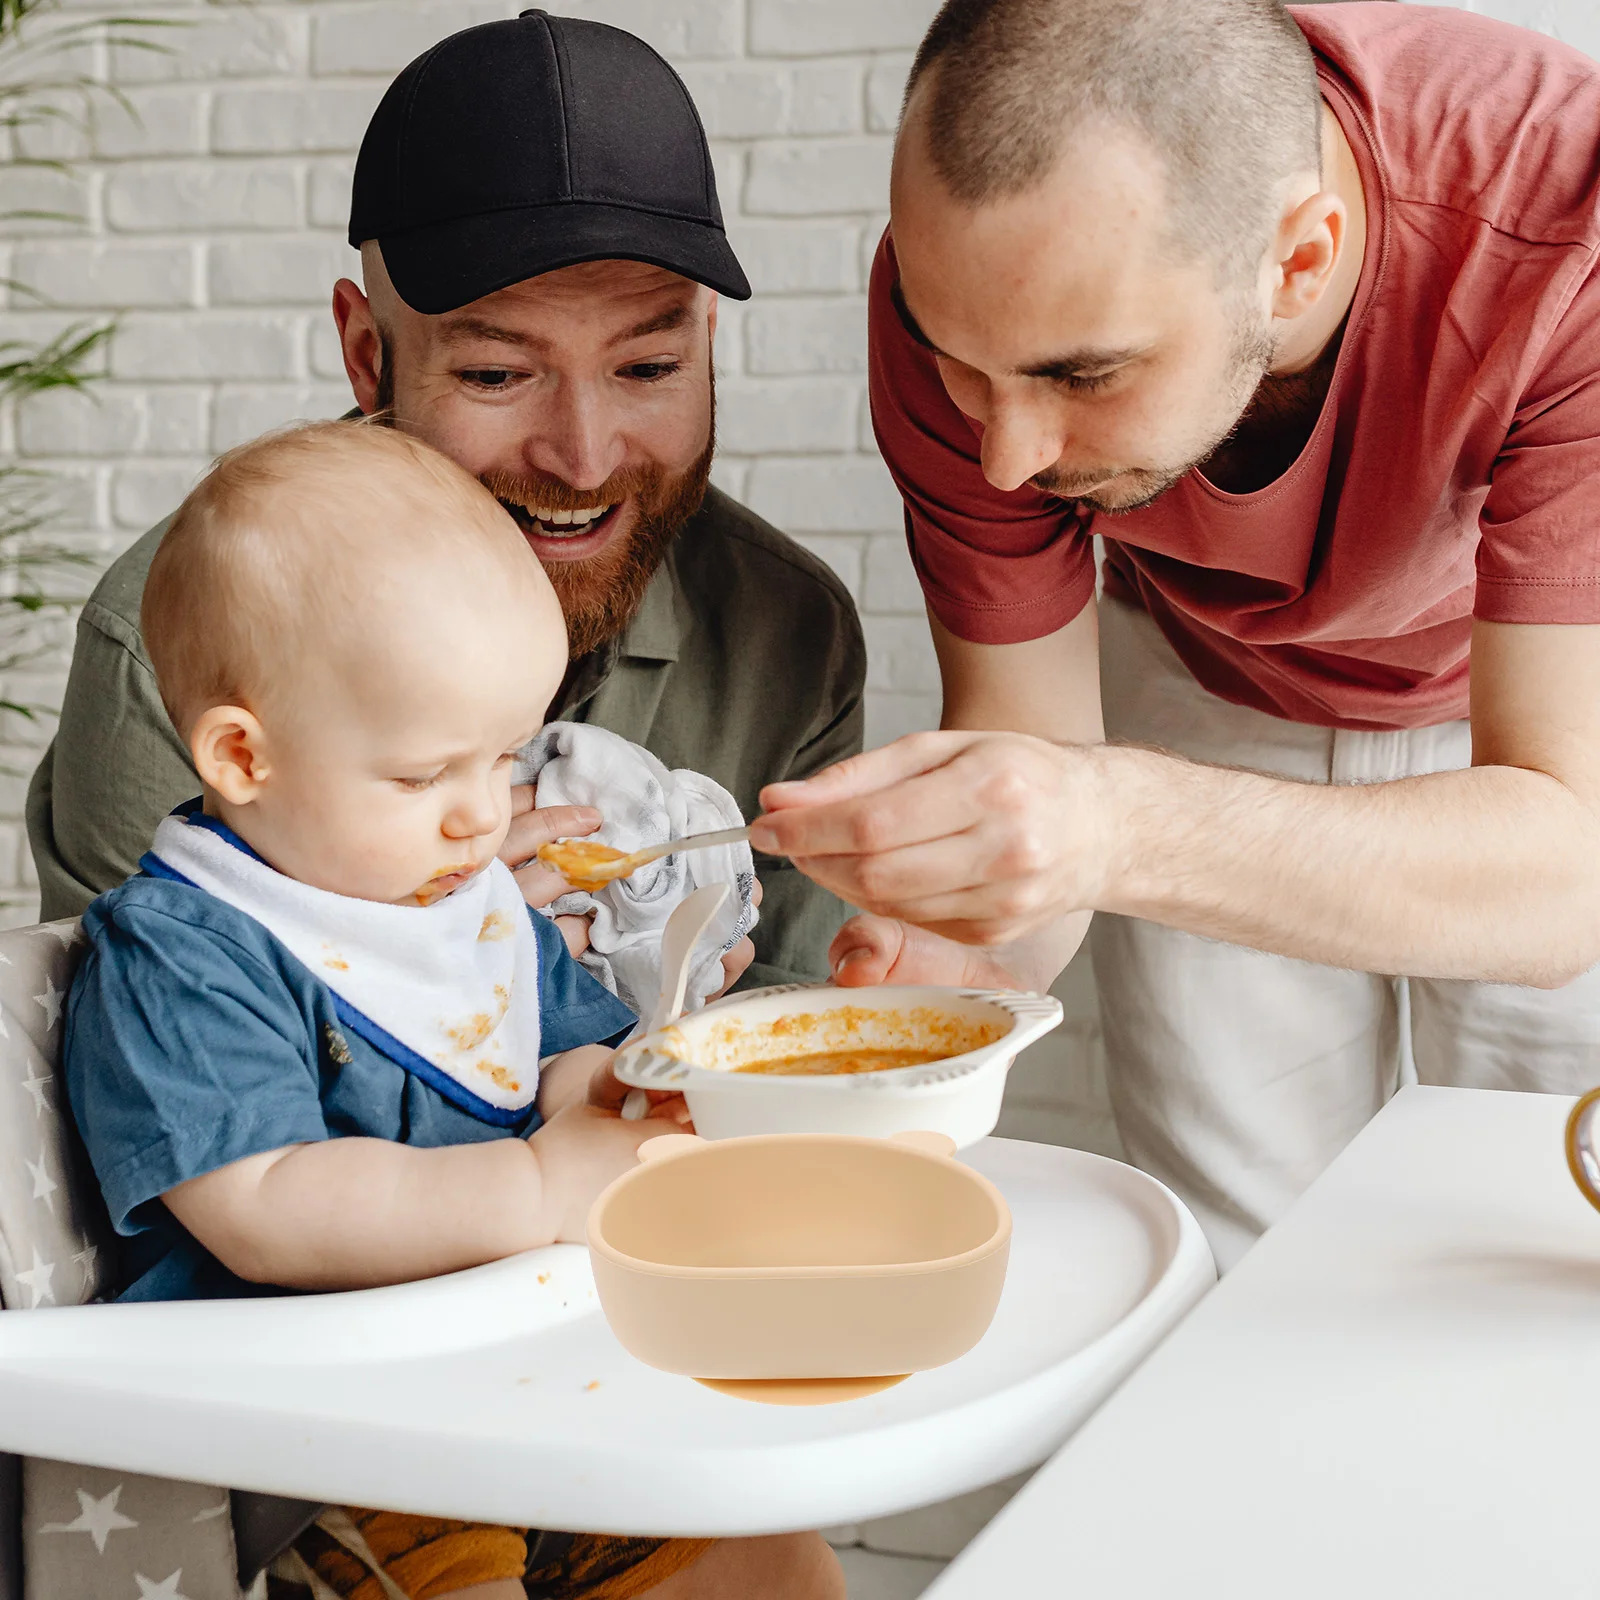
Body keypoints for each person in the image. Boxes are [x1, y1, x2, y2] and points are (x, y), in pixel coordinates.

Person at [750, 0, 1600, 1268]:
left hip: (1530, 722)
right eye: (961, 370)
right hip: (1198, 682)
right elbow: (1031, 742)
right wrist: (959, 942)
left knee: (1536, 1223)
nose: (1006, 452)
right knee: (1243, 1255)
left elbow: (1564, 879)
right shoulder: (980, 302)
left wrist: (1110, 823)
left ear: (1297, 260)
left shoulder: (1562, 218)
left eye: (1081, 376)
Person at [64, 422, 845, 1600]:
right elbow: (265, 1207)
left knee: (764, 1542)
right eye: (426, 775)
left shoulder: (452, 900)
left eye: (506, 757)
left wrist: (620, 1105)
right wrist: (537, 1188)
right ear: (242, 755)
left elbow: (565, 1048)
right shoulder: (184, 949)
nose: (484, 817)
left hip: (511, 1366)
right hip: (312, 1429)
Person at [28, 9, 864, 995]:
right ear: (367, 354)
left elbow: (803, 1066)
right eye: (498, 376)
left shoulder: (789, 635)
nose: (586, 461)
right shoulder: (175, 647)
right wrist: (403, 951)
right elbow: (129, 1106)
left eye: (647, 365)